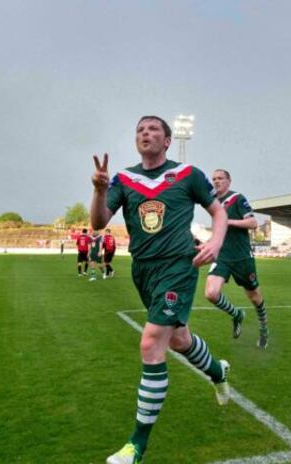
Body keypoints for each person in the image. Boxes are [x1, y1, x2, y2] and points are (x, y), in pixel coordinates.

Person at [92, 115, 230, 464]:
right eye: (140, 129)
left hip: (179, 266)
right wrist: (98, 190)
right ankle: (217, 371)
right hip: (143, 270)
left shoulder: (187, 174)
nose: (145, 134)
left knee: (152, 340)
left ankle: (136, 446)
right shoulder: (124, 179)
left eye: (153, 129)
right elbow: (97, 223)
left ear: (168, 140)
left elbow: (219, 213)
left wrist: (214, 242)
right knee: (180, 340)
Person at [205, 169, 268, 349]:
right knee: (211, 293)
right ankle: (237, 314)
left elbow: (253, 223)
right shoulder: (213, 203)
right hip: (222, 256)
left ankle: (264, 329)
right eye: (214, 179)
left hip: (241, 257)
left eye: (220, 178)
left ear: (229, 181)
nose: (216, 181)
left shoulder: (237, 198)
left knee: (255, 298)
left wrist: (229, 221)